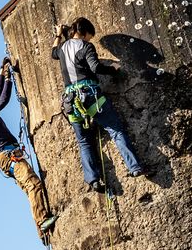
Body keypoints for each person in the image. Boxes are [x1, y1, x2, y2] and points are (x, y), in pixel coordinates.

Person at [52, 17, 144, 191]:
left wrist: (58, 35)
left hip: (70, 101)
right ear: (85, 32)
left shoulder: (63, 48)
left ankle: (93, 179)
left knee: (84, 141)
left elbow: (53, 53)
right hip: (89, 95)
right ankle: (134, 167)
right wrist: (113, 70)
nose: (89, 39)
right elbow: (95, 68)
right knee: (115, 130)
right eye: (89, 36)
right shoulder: (86, 46)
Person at [0, 59, 57, 238]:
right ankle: (42, 222)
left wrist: (1, 72)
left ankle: (42, 231)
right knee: (33, 183)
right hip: (8, 155)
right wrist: (9, 79)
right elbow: (2, 100)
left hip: (7, 156)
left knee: (30, 189)